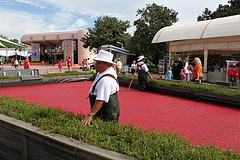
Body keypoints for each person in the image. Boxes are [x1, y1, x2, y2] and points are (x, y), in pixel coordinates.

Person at [81, 50, 120, 125]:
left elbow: (100, 100)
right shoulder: (103, 72)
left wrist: (90, 115)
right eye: (96, 62)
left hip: (106, 114)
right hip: (104, 111)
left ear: (107, 64)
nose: (96, 64)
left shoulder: (106, 80)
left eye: (99, 63)